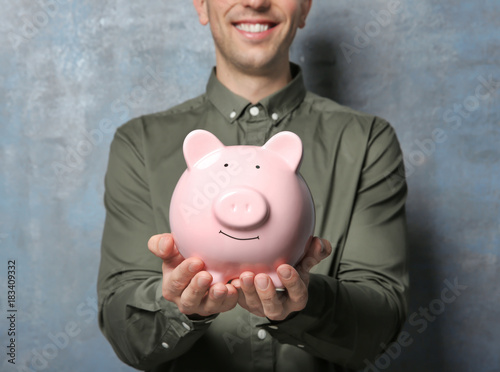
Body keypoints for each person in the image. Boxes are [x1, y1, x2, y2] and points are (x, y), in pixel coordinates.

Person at [97, 0, 409, 371]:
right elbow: (123, 329)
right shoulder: (140, 143)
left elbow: (381, 328)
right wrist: (176, 306)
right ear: (201, 5)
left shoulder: (368, 141)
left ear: (305, 8)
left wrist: (307, 302)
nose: (256, 1)